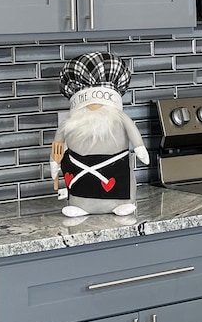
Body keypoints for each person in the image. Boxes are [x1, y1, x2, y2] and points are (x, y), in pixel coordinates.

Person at [49, 51, 149, 217]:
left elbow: (133, 132)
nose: (94, 105)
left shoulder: (119, 118)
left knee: (118, 180)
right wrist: (55, 163)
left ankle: (122, 203)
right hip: (78, 172)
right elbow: (58, 143)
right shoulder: (71, 120)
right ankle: (80, 206)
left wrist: (140, 148)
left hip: (117, 170)